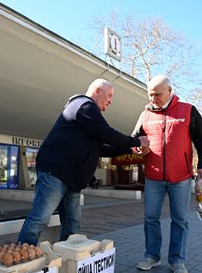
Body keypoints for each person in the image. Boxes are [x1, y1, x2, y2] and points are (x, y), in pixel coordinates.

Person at [17, 78, 149, 245]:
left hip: (72, 179)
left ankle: (67, 261)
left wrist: (129, 149)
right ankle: (20, 260)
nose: (110, 101)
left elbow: (101, 148)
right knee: (40, 219)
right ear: (97, 91)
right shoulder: (84, 106)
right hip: (55, 174)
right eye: (109, 95)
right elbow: (107, 133)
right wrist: (136, 142)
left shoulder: (88, 118)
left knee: (72, 226)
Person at [132, 75, 202, 273]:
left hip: (180, 177)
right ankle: (152, 256)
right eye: (150, 94)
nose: (153, 98)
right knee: (150, 218)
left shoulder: (188, 110)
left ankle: (177, 260)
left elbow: (201, 140)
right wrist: (138, 147)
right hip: (153, 177)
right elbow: (135, 138)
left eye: (157, 94)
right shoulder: (145, 114)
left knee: (179, 220)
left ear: (170, 91)